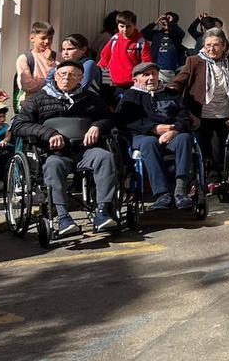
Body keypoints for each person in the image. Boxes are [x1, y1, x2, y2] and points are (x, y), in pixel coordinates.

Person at [14, 60, 119, 235]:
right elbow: (19, 125)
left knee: (105, 157)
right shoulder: (39, 98)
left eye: (72, 75)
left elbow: (110, 118)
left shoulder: (90, 98)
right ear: (55, 76)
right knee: (53, 166)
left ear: (80, 78)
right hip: (54, 153)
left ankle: (102, 211)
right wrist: (48, 133)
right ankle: (63, 217)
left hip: (85, 150)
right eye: (63, 74)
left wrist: (97, 126)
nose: (66, 78)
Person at [167, 27, 229, 184]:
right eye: (208, 45)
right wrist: (171, 89)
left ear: (224, 45)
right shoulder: (194, 61)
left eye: (216, 45)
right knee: (202, 149)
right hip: (199, 114)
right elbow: (179, 80)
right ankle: (199, 180)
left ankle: (215, 180)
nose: (211, 49)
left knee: (218, 150)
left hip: (223, 113)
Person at [118, 62, 198, 210]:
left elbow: (185, 116)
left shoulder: (171, 94)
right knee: (149, 142)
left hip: (171, 134)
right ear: (135, 79)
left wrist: (175, 131)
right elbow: (126, 121)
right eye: (146, 75)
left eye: (154, 74)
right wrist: (154, 129)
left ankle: (180, 190)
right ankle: (162, 194)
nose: (151, 78)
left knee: (185, 138)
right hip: (142, 136)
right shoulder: (131, 96)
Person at [98, 10, 154, 89]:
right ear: (117, 26)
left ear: (134, 25)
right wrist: (97, 73)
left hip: (133, 85)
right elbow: (104, 59)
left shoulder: (141, 43)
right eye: (122, 26)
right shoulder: (114, 39)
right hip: (112, 84)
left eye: (128, 26)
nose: (125, 29)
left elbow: (146, 65)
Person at [15, 21, 57, 110]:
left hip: (55, 104)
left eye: (50, 38)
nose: (47, 41)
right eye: (43, 38)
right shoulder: (25, 58)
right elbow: (28, 86)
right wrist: (51, 81)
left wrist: (51, 62)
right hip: (33, 106)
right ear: (32, 38)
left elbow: (65, 80)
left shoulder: (59, 57)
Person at [142, 12, 187, 82]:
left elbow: (182, 33)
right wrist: (155, 22)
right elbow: (143, 33)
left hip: (173, 70)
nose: (165, 22)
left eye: (167, 20)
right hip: (158, 69)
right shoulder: (157, 34)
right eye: (163, 20)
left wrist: (171, 22)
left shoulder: (176, 36)